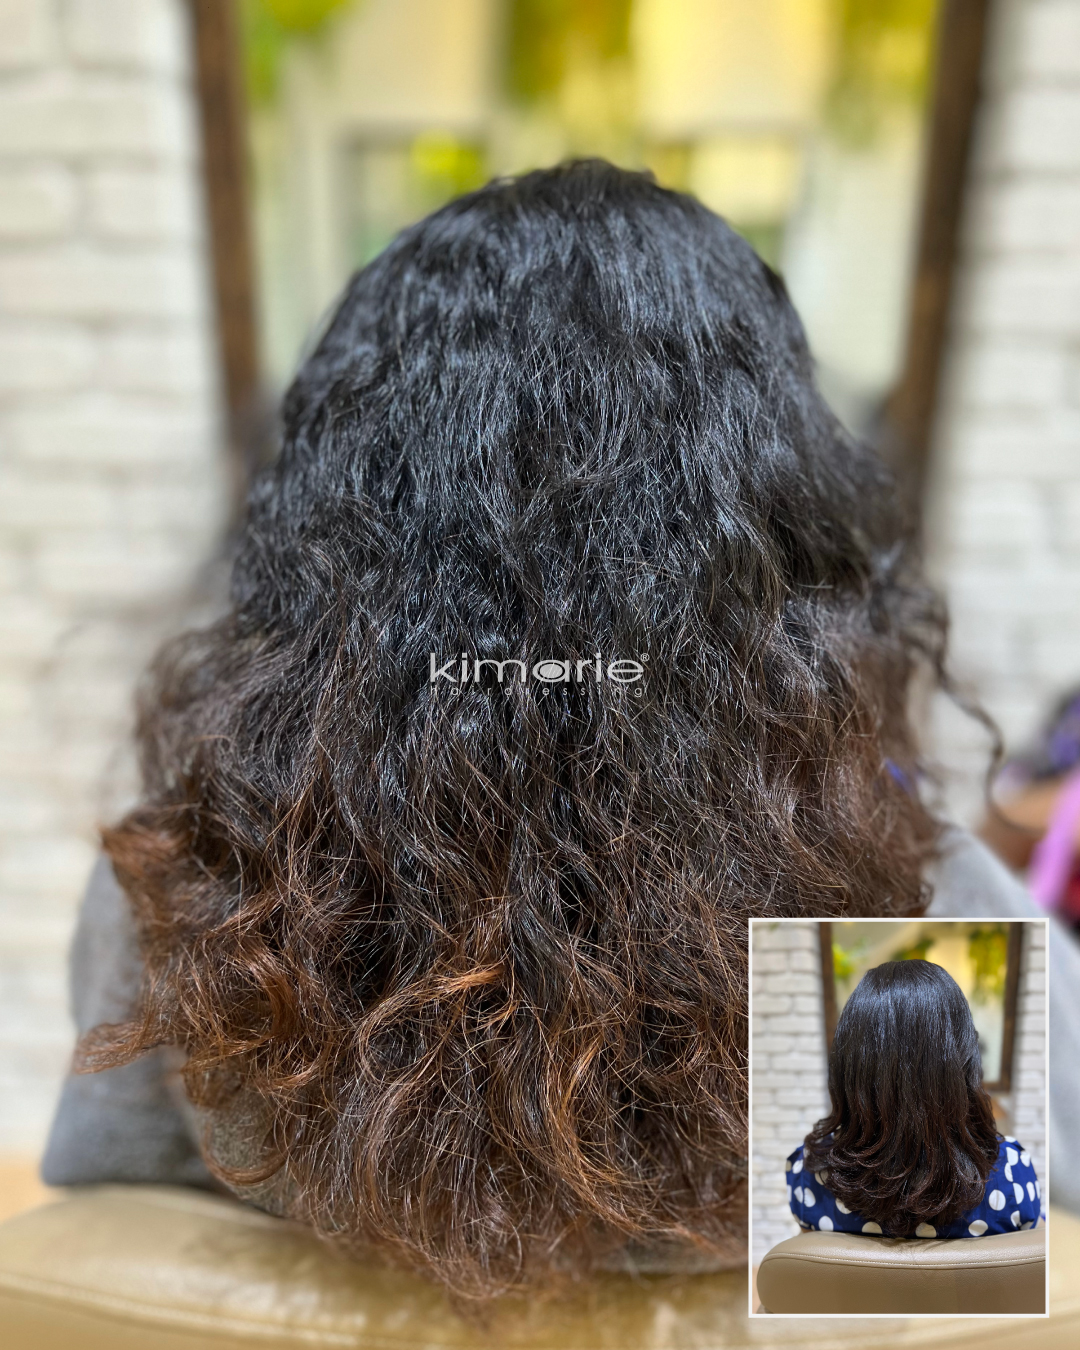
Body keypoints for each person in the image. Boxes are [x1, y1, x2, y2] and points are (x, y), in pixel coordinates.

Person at [39, 160, 1078, 1300]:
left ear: (326, 523)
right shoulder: (924, 918)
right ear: (793, 527)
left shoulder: (184, 891)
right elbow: (1025, 1266)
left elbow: (115, 1245)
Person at [786, 960, 1042, 1238]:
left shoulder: (808, 1174)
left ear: (849, 1066)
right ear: (962, 1059)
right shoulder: (1012, 1173)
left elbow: (810, 1258)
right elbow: (1031, 1254)